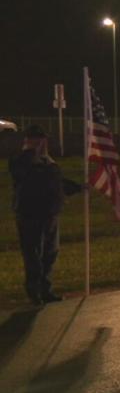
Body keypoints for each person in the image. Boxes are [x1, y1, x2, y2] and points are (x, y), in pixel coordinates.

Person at [8, 125, 81, 305]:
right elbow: (20, 174)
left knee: (50, 254)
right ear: (28, 141)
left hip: (50, 215)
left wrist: (77, 188)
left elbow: (57, 182)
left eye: (44, 139)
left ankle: (46, 290)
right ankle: (34, 293)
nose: (43, 143)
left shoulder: (48, 162)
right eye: (38, 140)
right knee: (34, 255)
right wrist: (32, 152)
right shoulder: (20, 160)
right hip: (30, 215)